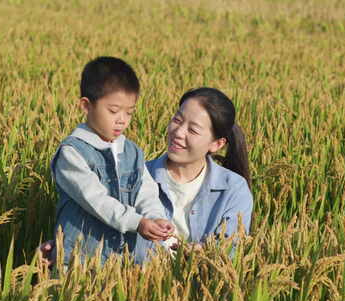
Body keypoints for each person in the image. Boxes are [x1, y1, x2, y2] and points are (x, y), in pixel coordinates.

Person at [41, 87, 252, 265]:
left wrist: (190, 253)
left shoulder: (233, 189)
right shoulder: (133, 175)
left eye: (193, 130)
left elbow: (229, 252)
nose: (178, 132)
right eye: (177, 120)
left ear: (217, 144)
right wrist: (63, 246)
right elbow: (104, 217)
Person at [51, 56, 174, 266]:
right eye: (113, 111)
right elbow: (97, 200)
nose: (122, 120)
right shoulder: (72, 153)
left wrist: (155, 218)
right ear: (86, 106)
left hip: (123, 261)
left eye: (129, 112)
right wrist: (138, 222)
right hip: (79, 260)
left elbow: (146, 191)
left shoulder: (132, 152)